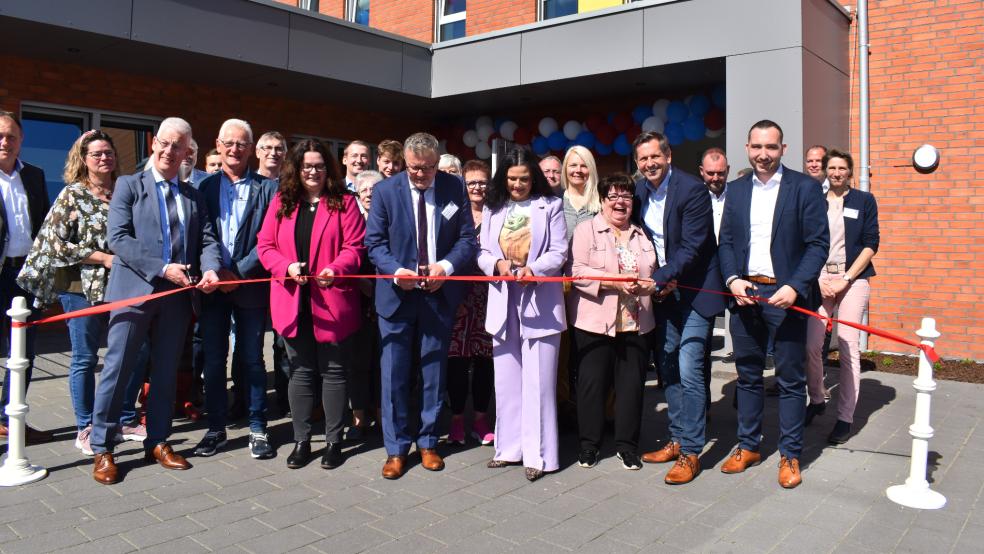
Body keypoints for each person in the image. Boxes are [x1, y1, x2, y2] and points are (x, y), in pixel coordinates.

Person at [89, 117, 222, 485]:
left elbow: (208, 240)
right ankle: (102, 446)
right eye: (164, 143)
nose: (169, 151)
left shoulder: (194, 196)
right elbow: (119, 238)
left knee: (165, 372)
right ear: (153, 144)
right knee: (117, 371)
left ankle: (158, 440)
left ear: (187, 153)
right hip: (134, 293)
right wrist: (163, 267)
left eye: (177, 146)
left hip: (177, 298)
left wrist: (210, 269)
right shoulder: (129, 185)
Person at [16, 130, 145, 455]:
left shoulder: (124, 191)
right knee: (85, 358)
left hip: (122, 286)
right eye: (97, 154)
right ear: (83, 160)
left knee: (132, 352)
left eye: (108, 153)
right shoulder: (73, 194)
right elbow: (53, 242)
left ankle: (125, 418)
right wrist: (101, 257)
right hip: (79, 287)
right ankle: (86, 426)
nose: (105, 158)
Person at [718, 120, 828, 489]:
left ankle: (790, 454)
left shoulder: (805, 188)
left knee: (791, 380)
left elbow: (817, 244)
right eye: (756, 147)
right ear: (747, 148)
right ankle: (748, 446)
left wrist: (796, 287)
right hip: (746, 295)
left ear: (783, 148)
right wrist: (732, 279)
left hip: (786, 297)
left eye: (771, 147)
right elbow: (727, 243)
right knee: (748, 376)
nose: (763, 154)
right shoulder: (735, 190)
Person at [365, 132, 477, 480]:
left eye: (427, 168)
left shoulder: (453, 188)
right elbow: (374, 243)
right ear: (405, 162)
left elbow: (466, 239)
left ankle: (428, 441)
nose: (420, 175)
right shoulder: (385, 191)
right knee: (395, 373)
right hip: (397, 297)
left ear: (436, 162)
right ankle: (396, 449)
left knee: (433, 371)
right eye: (414, 168)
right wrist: (396, 271)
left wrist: (446, 268)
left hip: (437, 296)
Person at [258, 139, 366, 469]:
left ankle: (334, 441)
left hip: (331, 302)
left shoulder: (344, 202)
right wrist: (286, 267)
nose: (313, 172)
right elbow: (265, 246)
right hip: (292, 301)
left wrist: (337, 268)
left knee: (333, 374)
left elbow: (356, 247)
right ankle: (302, 440)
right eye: (307, 166)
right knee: (300, 374)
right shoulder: (282, 201)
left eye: (319, 166)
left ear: (329, 168)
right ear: (296, 169)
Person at [633, 132, 726, 484]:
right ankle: (677, 437)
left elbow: (693, 245)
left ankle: (691, 451)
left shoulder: (692, 190)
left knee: (689, 365)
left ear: (668, 156)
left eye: (654, 156)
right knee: (668, 363)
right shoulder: (640, 191)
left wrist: (662, 277)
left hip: (696, 289)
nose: (649, 164)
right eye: (643, 159)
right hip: (664, 292)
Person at [478, 146, 567, 482]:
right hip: (503, 298)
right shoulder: (493, 206)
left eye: (524, 179)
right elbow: (483, 250)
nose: (518, 185)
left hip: (538, 298)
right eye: (512, 179)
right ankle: (509, 448)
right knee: (507, 378)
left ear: (534, 178)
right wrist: (496, 264)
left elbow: (559, 250)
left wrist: (535, 269)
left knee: (540, 382)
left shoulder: (551, 206)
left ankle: (539, 455)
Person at [193, 119, 277, 460]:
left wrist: (237, 273)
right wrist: (216, 271)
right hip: (212, 287)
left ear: (251, 148)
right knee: (213, 361)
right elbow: (202, 235)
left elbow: (269, 239)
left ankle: (258, 427)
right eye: (228, 142)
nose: (234, 149)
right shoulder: (204, 188)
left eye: (242, 143)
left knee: (252, 360)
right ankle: (216, 428)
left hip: (250, 287)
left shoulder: (269, 189)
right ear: (218, 143)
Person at [569, 173, 657, 470]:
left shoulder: (642, 234)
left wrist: (651, 285)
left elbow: (653, 273)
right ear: (603, 201)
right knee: (592, 386)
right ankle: (589, 445)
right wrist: (616, 283)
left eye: (627, 197)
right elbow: (578, 272)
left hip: (636, 322)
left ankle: (627, 445)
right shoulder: (586, 230)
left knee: (631, 387)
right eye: (614, 197)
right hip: (595, 322)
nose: (620, 203)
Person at [804, 149, 879, 444]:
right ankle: (817, 399)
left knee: (848, 346)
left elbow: (871, 243)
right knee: (811, 344)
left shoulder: (863, 200)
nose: (836, 172)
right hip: (819, 280)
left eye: (841, 168)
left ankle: (845, 418)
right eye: (831, 168)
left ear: (849, 172)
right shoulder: (815, 200)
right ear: (825, 170)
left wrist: (846, 279)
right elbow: (804, 241)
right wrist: (817, 279)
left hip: (853, 279)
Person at [0, 110, 53, 443]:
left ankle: (12, 415)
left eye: (11, 136)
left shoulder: (33, 175)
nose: (5, 141)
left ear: (21, 141)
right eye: (0, 136)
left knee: (24, 349)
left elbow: (45, 229)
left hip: (25, 275)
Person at [447, 159, 495, 446]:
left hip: (490, 297)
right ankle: (455, 420)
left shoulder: (497, 213)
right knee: (456, 360)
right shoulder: (453, 212)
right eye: (472, 182)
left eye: (482, 182)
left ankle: (479, 418)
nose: (477, 187)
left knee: (484, 360)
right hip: (457, 298)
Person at [348, 168, 384, 439]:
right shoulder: (352, 219)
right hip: (357, 299)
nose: (369, 193)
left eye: (375, 188)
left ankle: (384, 412)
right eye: (364, 190)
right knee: (358, 360)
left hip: (388, 296)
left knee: (385, 360)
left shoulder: (389, 218)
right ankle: (358, 415)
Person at [699, 147, 730, 401]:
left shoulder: (739, 196)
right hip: (707, 277)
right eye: (710, 173)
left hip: (737, 276)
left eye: (720, 173)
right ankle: (704, 400)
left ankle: (744, 394)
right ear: (702, 172)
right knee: (704, 343)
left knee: (745, 341)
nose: (715, 178)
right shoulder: (694, 197)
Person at [560, 146, 601, 242]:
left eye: (584, 166)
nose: (578, 170)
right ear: (565, 169)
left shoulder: (602, 202)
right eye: (573, 165)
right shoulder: (556, 202)